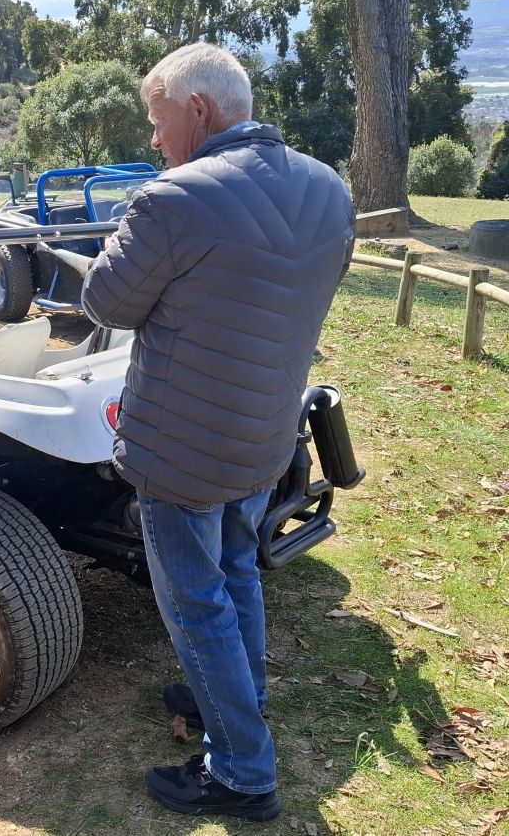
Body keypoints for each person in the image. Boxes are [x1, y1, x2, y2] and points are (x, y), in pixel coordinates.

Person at [81, 43, 354, 821]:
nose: (156, 141)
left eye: (159, 121)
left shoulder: (172, 199)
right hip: (262, 435)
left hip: (179, 449)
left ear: (198, 110)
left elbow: (106, 301)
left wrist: (115, 243)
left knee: (196, 602)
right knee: (237, 570)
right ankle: (235, 701)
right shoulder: (328, 190)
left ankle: (241, 771)